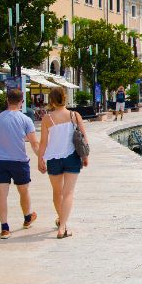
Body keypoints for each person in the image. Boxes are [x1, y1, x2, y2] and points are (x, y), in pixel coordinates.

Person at [37, 87, 89, 239]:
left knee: (57, 192)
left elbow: (43, 142)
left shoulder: (47, 119)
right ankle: (62, 227)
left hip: (53, 158)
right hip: (72, 157)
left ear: (51, 100)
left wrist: (40, 158)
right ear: (65, 98)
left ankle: (63, 223)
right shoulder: (74, 115)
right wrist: (85, 157)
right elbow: (83, 138)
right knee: (68, 193)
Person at [0, 88, 40, 239]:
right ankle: (27, 218)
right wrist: (41, 159)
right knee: (23, 191)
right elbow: (34, 143)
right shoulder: (25, 120)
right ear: (21, 102)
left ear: (7, 100)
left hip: (0, 162)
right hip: (19, 162)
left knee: (2, 194)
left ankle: (4, 228)